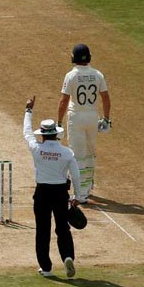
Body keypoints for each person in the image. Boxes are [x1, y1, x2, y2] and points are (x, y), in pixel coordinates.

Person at [23, 95, 81, 278]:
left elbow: (26, 133)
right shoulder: (66, 152)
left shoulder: (36, 149)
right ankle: (67, 257)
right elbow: (76, 175)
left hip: (42, 193)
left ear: (43, 134)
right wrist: (77, 196)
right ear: (56, 134)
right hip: (60, 193)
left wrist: (28, 111)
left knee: (43, 230)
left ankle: (46, 268)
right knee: (63, 228)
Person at [56, 43, 112, 203]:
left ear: (73, 58)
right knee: (90, 152)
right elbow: (106, 98)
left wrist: (59, 122)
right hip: (92, 117)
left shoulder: (71, 76)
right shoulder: (97, 74)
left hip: (76, 117)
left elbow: (63, 101)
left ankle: (80, 194)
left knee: (77, 155)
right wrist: (107, 119)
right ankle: (87, 186)